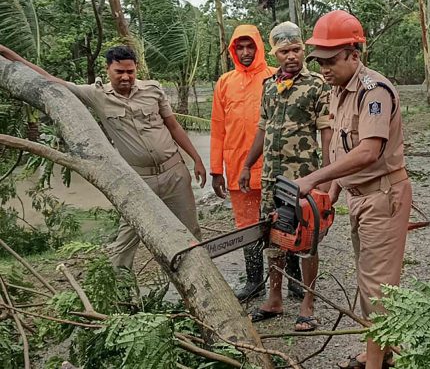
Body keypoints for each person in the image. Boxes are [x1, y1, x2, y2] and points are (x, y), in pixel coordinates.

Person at [0, 44, 205, 269]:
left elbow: (174, 127)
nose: (126, 77)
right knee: (126, 240)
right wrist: (7, 54)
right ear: (108, 69)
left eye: (130, 71)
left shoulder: (153, 90)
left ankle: (201, 277)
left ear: (136, 69)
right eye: (119, 72)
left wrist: (196, 159)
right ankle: (122, 291)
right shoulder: (95, 94)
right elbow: (49, 79)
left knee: (191, 232)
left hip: (174, 172)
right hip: (139, 181)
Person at [293, 10, 412, 368]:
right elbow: (341, 148)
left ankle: (376, 363)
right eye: (320, 60)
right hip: (361, 196)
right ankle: (384, 351)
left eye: (331, 60)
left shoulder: (373, 91)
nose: (324, 67)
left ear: (354, 54)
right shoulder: (338, 92)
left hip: (382, 195)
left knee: (378, 287)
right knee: (369, 281)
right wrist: (329, 196)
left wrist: (313, 178)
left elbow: (368, 151)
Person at [236, 21, 332, 332]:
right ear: (275, 53)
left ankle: (308, 303)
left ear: (304, 50)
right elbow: (262, 130)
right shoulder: (268, 86)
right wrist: (248, 165)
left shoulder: (317, 85)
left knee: (307, 241)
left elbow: (326, 132)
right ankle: (274, 298)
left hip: (303, 177)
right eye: (284, 51)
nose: (291, 56)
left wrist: (327, 179)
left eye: (296, 50)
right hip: (271, 179)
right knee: (273, 239)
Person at [210, 25, 303, 300]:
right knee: (248, 229)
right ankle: (254, 282)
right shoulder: (224, 82)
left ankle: (295, 281)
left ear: (260, 47)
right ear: (233, 50)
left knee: (286, 223)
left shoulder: (276, 77)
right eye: (240, 47)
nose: (246, 52)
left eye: (250, 46)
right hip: (240, 171)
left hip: (277, 170)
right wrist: (217, 171)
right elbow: (217, 129)